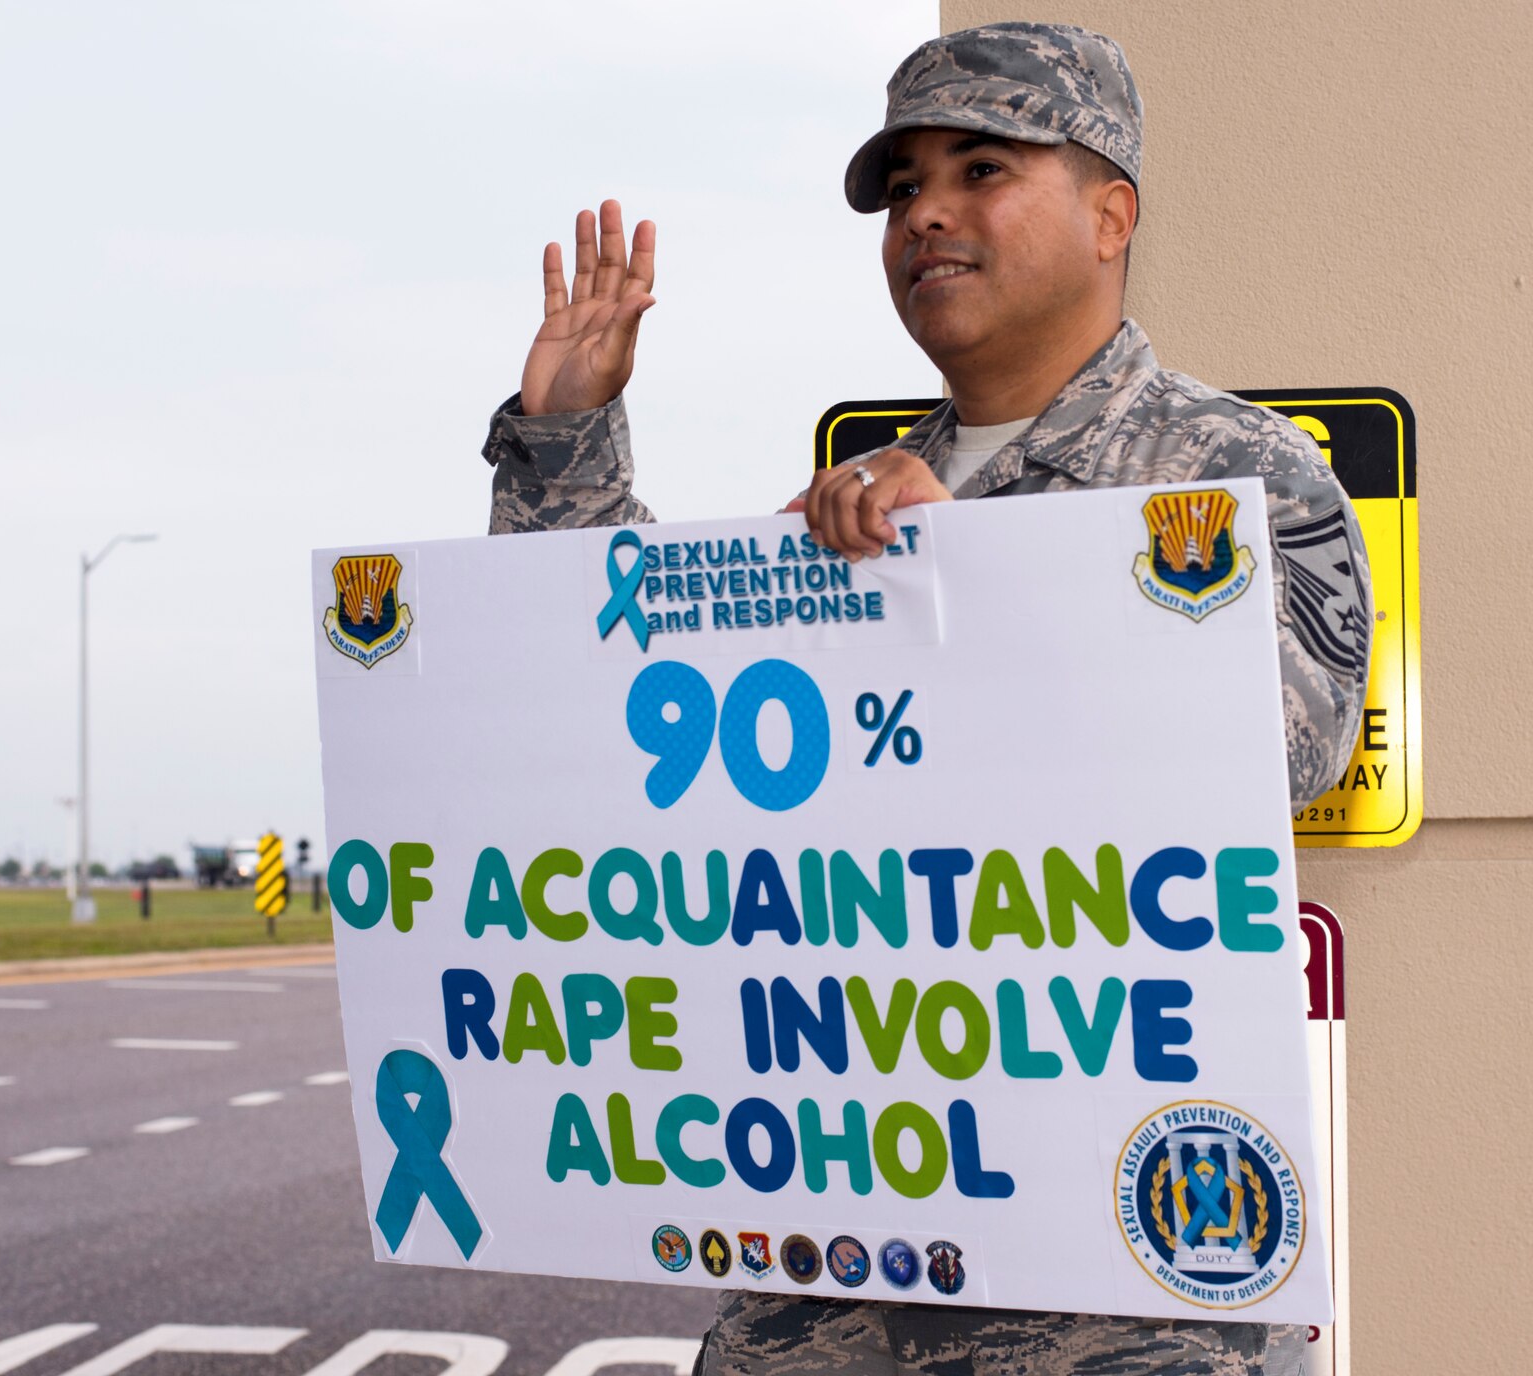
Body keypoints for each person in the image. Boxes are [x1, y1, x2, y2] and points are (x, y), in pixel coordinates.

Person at [480, 21, 1366, 1376]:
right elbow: (606, 729)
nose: (926, 214)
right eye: (902, 187)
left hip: (1117, 1315)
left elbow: (1275, 763)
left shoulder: (1237, 475)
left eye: (981, 169)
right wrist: (564, 440)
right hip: (828, 1293)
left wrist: (983, 577)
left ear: (1111, 211)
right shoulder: (853, 510)